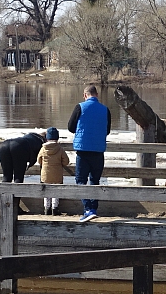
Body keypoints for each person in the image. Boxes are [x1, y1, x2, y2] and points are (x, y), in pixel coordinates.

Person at [67, 84, 111, 222]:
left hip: (83, 149)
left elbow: (70, 127)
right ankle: (94, 208)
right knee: (95, 180)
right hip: (98, 149)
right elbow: (107, 130)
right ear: (96, 95)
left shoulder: (80, 107)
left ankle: (87, 209)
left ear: (85, 95)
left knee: (80, 180)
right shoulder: (105, 110)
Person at [0, 131, 45, 213]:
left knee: (6, 178)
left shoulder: (29, 137)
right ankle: (15, 207)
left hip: (4, 145)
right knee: (18, 179)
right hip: (20, 147)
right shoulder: (41, 142)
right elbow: (39, 158)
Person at [36, 126, 70, 215]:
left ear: (47, 138)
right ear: (57, 138)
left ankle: (47, 208)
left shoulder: (43, 149)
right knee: (56, 191)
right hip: (57, 174)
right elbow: (66, 161)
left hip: (45, 174)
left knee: (46, 192)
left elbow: (39, 160)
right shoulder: (60, 149)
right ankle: (55, 208)